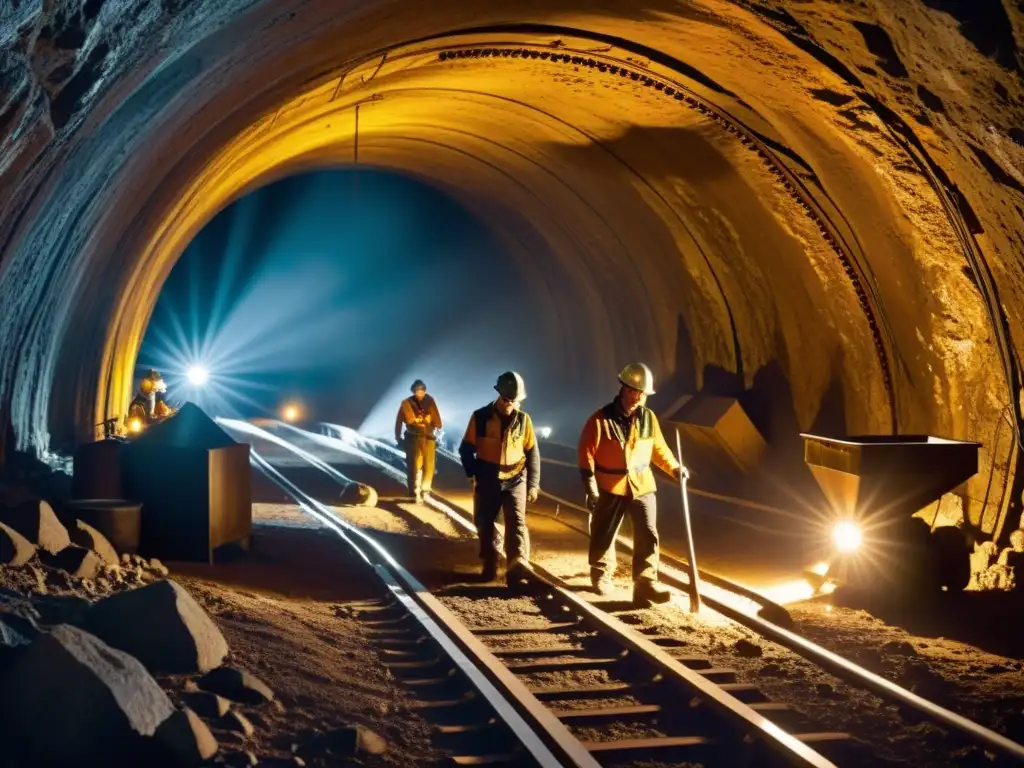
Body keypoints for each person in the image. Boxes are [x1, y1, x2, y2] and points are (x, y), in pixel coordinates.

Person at [578, 362, 681, 607]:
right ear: (623, 389)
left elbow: (658, 448)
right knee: (604, 532)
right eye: (634, 391)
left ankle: (645, 583)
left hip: (642, 485)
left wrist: (675, 468)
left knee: (648, 532)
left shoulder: (648, 418)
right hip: (610, 485)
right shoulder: (600, 419)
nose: (638, 397)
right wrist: (591, 488)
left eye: (642, 393)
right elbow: (585, 454)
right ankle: (602, 573)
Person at [459, 371, 541, 586]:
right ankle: (490, 562)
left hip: (516, 478)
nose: (509, 404)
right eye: (506, 400)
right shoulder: (480, 417)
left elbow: (532, 453)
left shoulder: (524, 421)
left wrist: (533, 485)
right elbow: (466, 449)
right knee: (486, 522)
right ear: (498, 395)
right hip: (488, 477)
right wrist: (472, 474)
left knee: (516, 522)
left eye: (514, 401)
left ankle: (517, 566)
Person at [394, 379, 442, 503]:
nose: (420, 392)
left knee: (429, 465)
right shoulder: (407, 403)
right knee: (413, 466)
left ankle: (425, 490)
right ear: (414, 391)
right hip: (412, 438)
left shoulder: (430, 401)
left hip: (428, 437)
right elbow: (399, 421)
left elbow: (437, 421)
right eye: (417, 390)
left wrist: (434, 430)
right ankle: (413, 491)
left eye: (422, 390)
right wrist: (398, 437)